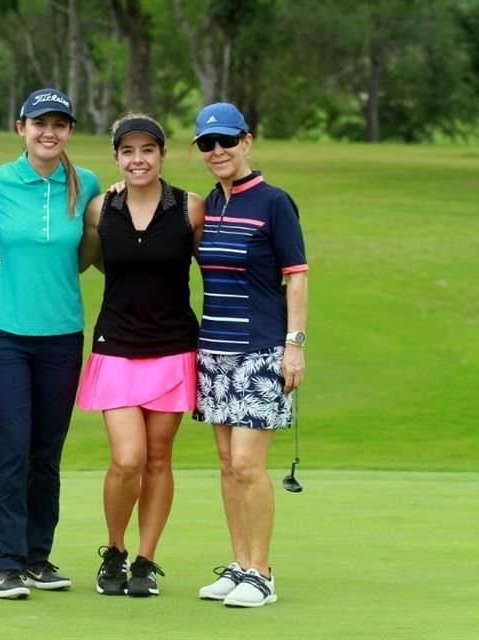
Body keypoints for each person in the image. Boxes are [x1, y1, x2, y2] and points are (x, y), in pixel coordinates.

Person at [0, 88, 101, 599]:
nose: (49, 132)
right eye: (38, 122)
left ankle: (37, 558)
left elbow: (90, 250)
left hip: (62, 335)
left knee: (46, 453)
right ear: (20, 127)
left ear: (69, 131)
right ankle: (5, 562)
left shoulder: (86, 183)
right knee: (11, 449)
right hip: (3, 332)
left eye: (59, 123)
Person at [76, 114, 204, 598]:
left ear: (162, 155)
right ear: (116, 158)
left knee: (157, 458)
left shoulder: (191, 208)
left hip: (173, 348)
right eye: (127, 151)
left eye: (147, 150)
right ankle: (114, 549)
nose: (137, 159)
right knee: (127, 459)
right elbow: (91, 260)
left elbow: (210, 265)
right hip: (117, 346)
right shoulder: (99, 209)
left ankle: (147, 560)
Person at [190, 102, 308, 608]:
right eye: (207, 144)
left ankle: (262, 572)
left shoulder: (274, 202)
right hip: (212, 349)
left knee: (247, 464)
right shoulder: (206, 206)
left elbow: (296, 275)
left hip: (260, 350)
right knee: (225, 463)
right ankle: (239, 565)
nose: (218, 151)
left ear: (247, 141)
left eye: (227, 141)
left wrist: (294, 346)